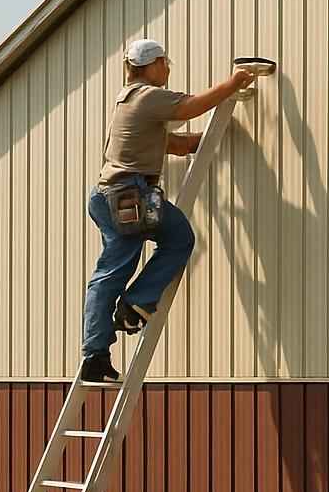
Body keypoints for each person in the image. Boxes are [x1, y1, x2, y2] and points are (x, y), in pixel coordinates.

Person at [79, 39, 255, 382]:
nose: (168, 68)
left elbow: (176, 145)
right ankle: (125, 317)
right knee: (166, 244)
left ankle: (104, 342)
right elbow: (189, 106)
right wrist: (232, 84)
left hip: (111, 196)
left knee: (126, 264)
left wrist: (216, 134)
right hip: (128, 197)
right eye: (165, 62)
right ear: (152, 65)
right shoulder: (147, 96)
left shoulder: (129, 103)